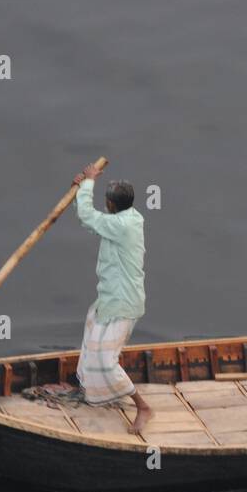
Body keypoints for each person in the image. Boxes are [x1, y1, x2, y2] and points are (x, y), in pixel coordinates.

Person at [69, 160, 151, 435]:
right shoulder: (122, 220)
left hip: (122, 304)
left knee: (105, 361)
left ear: (112, 205)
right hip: (109, 300)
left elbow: (89, 217)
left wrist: (87, 182)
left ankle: (142, 407)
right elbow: (91, 222)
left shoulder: (123, 225)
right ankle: (90, 390)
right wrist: (79, 191)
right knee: (91, 331)